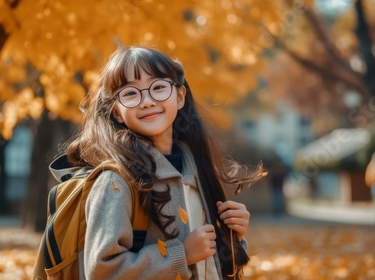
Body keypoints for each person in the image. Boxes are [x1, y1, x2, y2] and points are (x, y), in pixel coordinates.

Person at [63, 46, 264, 279]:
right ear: (116, 112)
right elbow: (102, 271)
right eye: (130, 93)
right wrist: (180, 255)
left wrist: (232, 239)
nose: (147, 101)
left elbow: (208, 268)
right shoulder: (115, 181)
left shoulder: (197, 172)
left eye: (158, 87)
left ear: (179, 97)